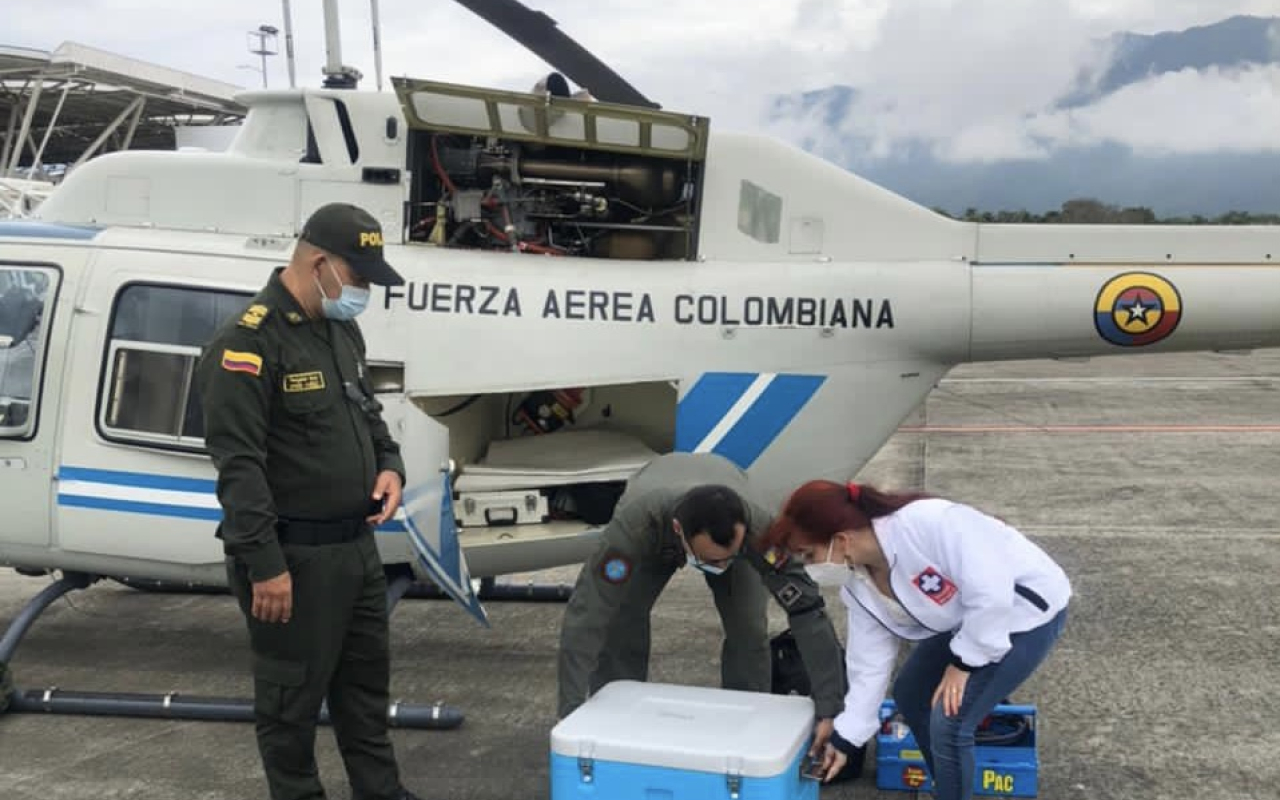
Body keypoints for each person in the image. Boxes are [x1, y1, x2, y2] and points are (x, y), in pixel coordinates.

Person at [196, 203, 423, 800]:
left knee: (365, 696)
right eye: (361, 277)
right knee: (289, 707)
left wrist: (391, 467)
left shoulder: (340, 329)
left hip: (356, 551)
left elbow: (369, 417)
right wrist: (266, 566)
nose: (365, 291)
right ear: (319, 262)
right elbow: (238, 467)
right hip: (293, 560)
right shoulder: (246, 343)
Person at [766, 480, 1070, 799]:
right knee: (910, 694)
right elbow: (868, 666)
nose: (810, 567)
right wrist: (845, 738)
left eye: (808, 554)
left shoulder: (930, 522)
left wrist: (962, 664)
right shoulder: (858, 584)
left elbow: (991, 593)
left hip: (1025, 613)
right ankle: (949, 784)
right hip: (968, 620)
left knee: (950, 721)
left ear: (840, 540)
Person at [556, 452, 847, 751]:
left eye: (726, 559)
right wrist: (570, 715)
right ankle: (614, 724)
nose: (720, 569)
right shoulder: (634, 527)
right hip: (655, 530)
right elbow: (588, 614)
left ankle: (746, 726)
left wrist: (830, 708)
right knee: (621, 618)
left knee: (747, 628)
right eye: (712, 560)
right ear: (680, 532)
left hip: (731, 504)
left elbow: (807, 610)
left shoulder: (760, 530)